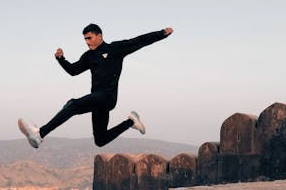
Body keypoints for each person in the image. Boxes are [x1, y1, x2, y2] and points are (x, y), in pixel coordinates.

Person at [18, 23, 173, 148]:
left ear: (99, 36)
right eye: (85, 39)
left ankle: (40, 134)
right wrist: (61, 59)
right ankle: (131, 122)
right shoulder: (89, 56)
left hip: (108, 97)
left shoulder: (115, 49)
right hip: (97, 100)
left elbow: (139, 41)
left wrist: (161, 34)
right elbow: (73, 71)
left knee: (73, 105)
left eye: (89, 38)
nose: (87, 42)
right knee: (100, 140)